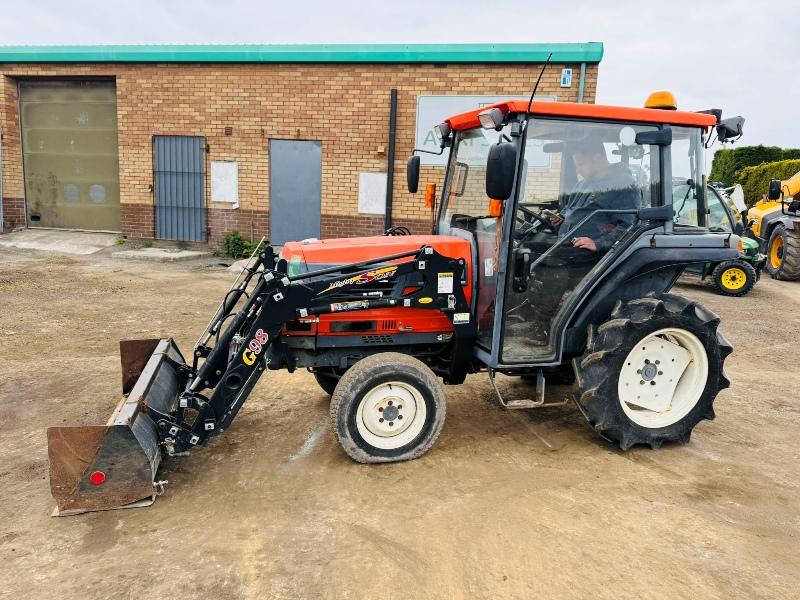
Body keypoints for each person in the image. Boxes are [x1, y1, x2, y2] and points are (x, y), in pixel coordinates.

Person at [505, 139, 640, 353]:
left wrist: (597, 242)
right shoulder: (584, 183)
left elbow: (628, 226)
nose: (579, 170)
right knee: (521, 252)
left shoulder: (623, 186)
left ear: (598, 158)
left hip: (598, 252)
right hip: (569, 241)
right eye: (577, 166)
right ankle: (520, 309)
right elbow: (571, 209)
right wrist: (562, 217)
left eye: (581, 165)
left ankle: (542, 328)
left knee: (552, 263)